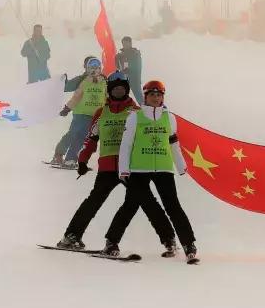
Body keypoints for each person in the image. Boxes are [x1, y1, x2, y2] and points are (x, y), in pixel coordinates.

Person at [56, 72, 177, 254]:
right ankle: (72, 236)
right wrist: (82, 160)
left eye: (122, 89)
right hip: (107, 167)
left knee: (146, 202)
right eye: (115, 89)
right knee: (93, 201)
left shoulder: (136, 112)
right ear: (110, 90)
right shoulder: (101, 112)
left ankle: (168, 239)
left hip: (130, 167)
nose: (119, 91)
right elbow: (91, 139)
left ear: (127, 90)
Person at [106, 79, 198, 260]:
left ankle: (188, 245)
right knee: (130, 206)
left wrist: (181, 166)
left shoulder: (169, 117)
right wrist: (123, 170)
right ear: (145, 97)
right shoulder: (135, 116)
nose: (156, 98)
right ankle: (111, 242)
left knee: (173, 207)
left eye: (159, 95)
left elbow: (173, 142)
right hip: (139, 168)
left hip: (164, 168)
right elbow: (126, 144)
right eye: (152, 95)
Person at [51, 57, 106, 167]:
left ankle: (70, 159)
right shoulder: (84, 81)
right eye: (91, 68)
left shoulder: (104, 82)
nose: (94, 70)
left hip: (94, 116)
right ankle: (58, 155)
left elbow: (106, 97)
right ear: (86, 68)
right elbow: (76, 97)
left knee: (82, 138)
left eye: (97, 68)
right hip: (81, 114)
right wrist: (67, 108)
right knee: (72, 134)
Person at [115, 36, 143, 103]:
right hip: (124, 79)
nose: (125, 45)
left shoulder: (135, 53)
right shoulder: (121, 54)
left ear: (130, 43)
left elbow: (138, 67)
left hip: (134, 79)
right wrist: (116, 59)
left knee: (139, 96)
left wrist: (130, 70)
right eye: (124, 43)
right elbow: (118, 67)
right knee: (122, 96)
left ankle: (145, 109)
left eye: (127, 43)